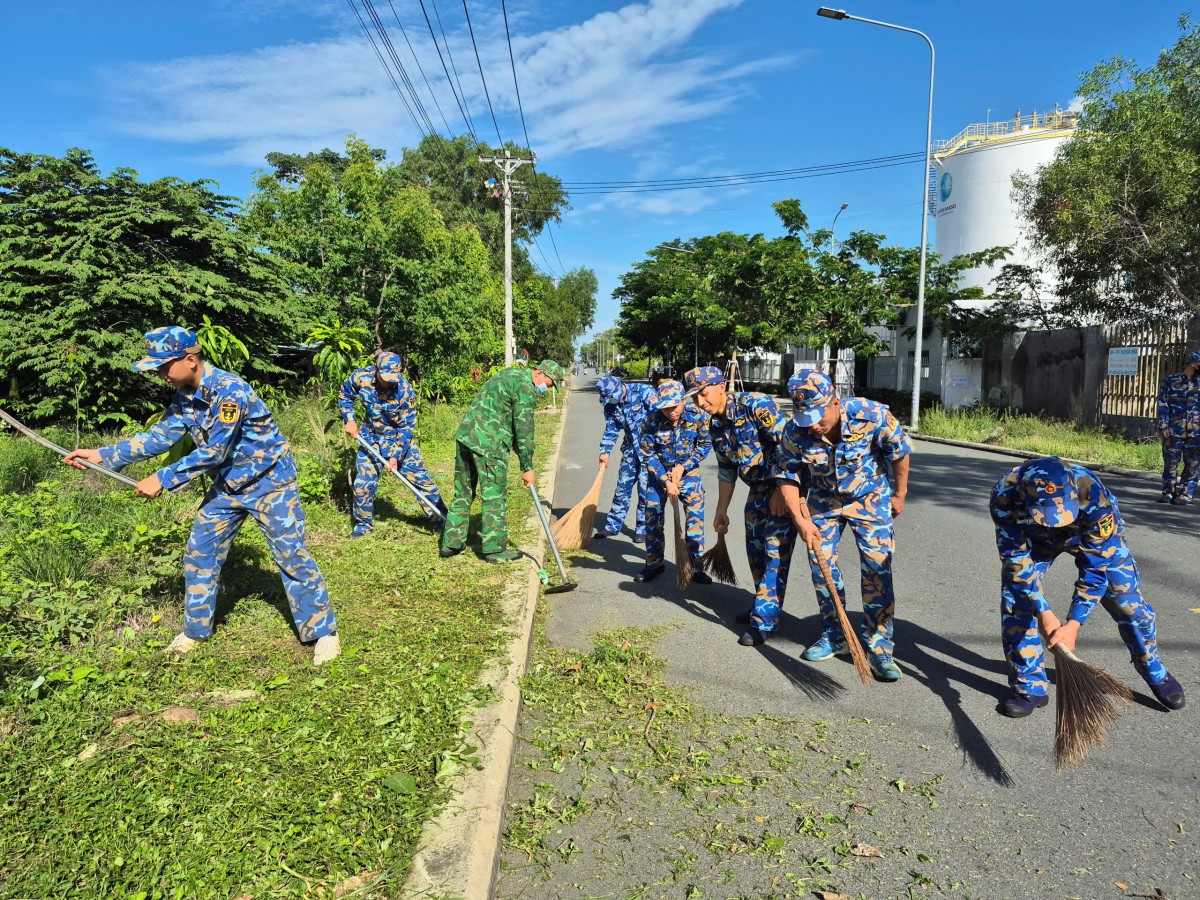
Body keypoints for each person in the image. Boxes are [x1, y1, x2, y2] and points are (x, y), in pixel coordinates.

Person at [64, 326, 341, 665]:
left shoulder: (229, 392)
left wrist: (162, 478)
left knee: (291, 555)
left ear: (190, 360)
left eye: (164, 367)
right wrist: (102, 455)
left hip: (270, 483)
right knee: (200, 552)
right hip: (227, 486)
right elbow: (159, 437)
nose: (160, 374)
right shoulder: (183, 397)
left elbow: (214, 451)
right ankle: (195, 632)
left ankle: (323, 633)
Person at [989, 457, 1185, 716]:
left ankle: (1152, 669)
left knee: (1128, 603)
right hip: (1035, 542)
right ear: (1025, 497)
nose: (1055, 520)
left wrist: (1073, 624)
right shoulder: (1005, 495)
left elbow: (1096, 567)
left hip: (1088, 537)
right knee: (1017, 601)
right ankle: (1030, 686)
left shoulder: (1092, 492)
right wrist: (1044, 613)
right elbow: (1015, 558)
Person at [774, 369, 911, 682]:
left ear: (835, 401)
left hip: (870, 497)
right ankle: (835, 635)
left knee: (877, 569)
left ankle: (879, 646)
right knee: (820, 565)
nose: (813, 424)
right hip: (824, 500)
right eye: (804, 416)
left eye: (818, 415)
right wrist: (801, 521)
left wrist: (900, 494)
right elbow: (787, 475)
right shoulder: (795, 431)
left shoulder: (870, 414)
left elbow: (899, 452)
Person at [683, 365, 794, 646]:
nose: (701, 403)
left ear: (721, 386)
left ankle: (764, 621)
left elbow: (788, 447)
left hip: (785, 488)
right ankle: (763, 604)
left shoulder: (755, 406)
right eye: (695, 399)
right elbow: (726, 470)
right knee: (754, 551)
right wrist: (722, 510)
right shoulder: (715, 425)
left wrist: (783, 491)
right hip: (758, 491)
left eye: (704, 395)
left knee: (773, 553)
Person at [440, 359, 564, 562]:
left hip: (466, 436)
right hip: (489, 443)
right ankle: (494, 549)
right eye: (549, 383)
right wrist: (527, 466)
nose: (546, 388)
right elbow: (523, 428)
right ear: (540, 374)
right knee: (494, 495)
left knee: (463, 492)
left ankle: (451, 543)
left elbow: (503, 413)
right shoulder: (525, 387)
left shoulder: (508, 374)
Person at [339, 351, 446, 537]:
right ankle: (363, 525)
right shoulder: (361, 377)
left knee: (421, 480)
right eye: (385, 376)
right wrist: (349, 419)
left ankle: (442, 520)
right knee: (363, 484)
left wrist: (395, 456)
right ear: (377, 369)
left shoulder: (404, 390)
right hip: (370, 438)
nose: (389, 381)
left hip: (398, 439)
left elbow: (407, 428)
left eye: (393, 377)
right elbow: (345, 395)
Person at [635, 379, 712, 584]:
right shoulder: (651, 420)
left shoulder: (697, 416)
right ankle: (654, 564)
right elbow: (647, 454)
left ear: (683, 401)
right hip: (659, 474)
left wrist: (684, 466)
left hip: (688, 473)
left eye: (675, 406)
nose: (671, 412)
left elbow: (704, 444)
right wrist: (665, 480)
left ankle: (696, 567)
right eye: (666, 407)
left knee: (695, 520)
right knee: (653, 518)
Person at [594, 374, 658, 543]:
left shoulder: (644, 392)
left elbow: (660, 419)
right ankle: (612, 525)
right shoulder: (610, 404)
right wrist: (605, 451)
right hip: (630, 449)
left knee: (645, 491)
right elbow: (612, 428)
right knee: (622, 488)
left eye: (612, 396)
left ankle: (642, 529)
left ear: (620, 387)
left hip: (650, 451)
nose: (611, 401)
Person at [1154, 349, 1200, 504]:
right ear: (1194, 363)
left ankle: (1185, 493)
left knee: (1192, 464)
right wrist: (1163, 425)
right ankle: (1168, 492)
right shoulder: (1171, 381)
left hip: (1196, 432)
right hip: (1174, 430)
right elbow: (1163, 404)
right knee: (1170, 462)